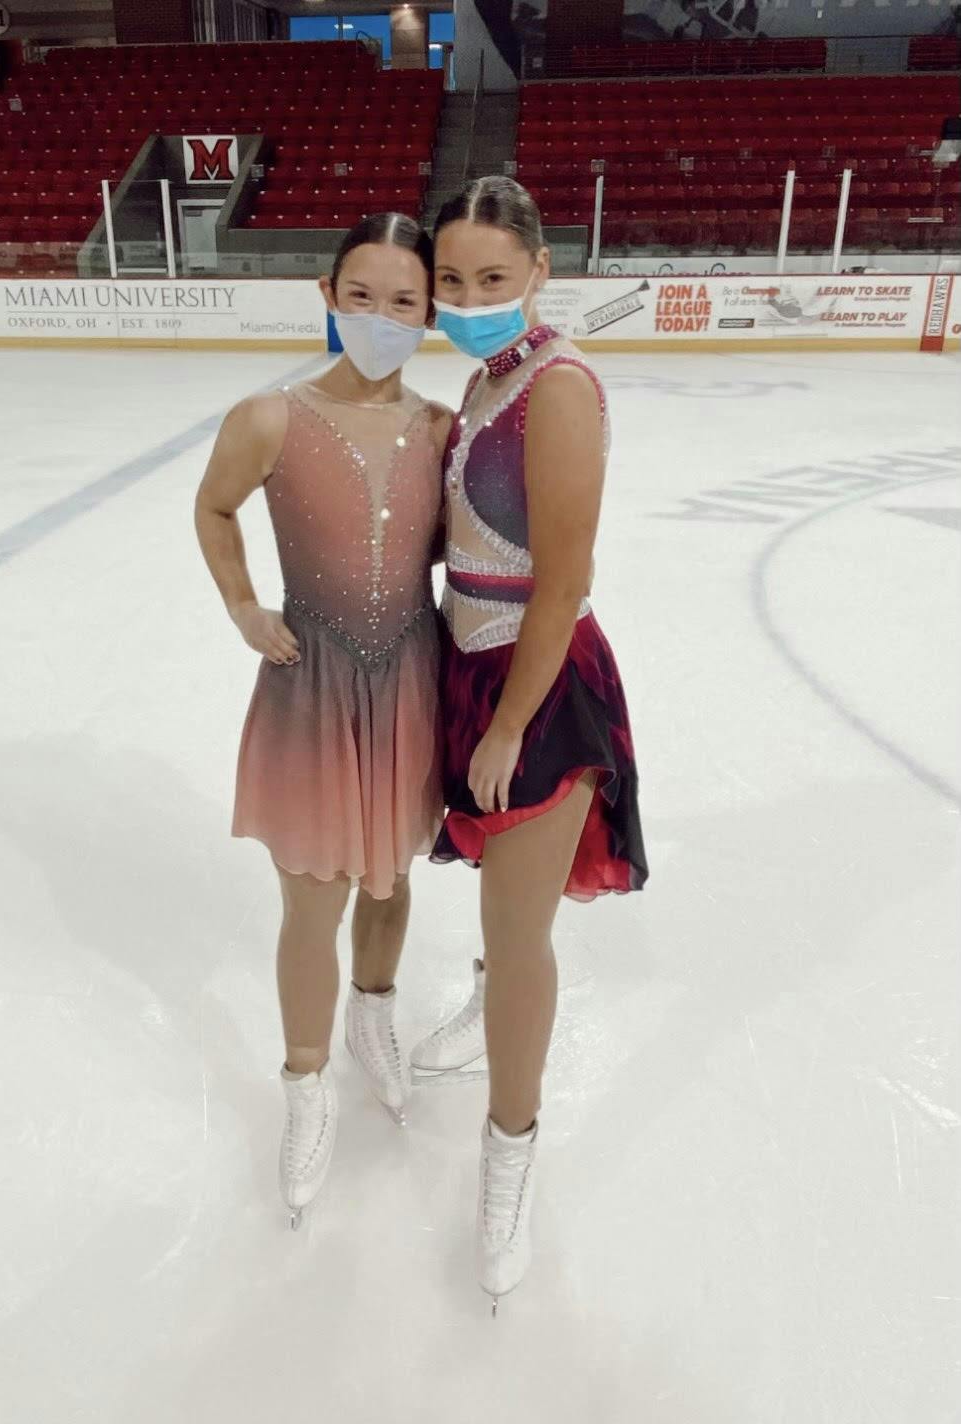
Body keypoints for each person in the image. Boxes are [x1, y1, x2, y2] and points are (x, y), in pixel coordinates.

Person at [193, 212, 453, 1228]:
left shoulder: (440, 427)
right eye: (363, 296)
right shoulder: (268, 418)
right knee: (314, 897)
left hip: (412, 687)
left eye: (404, 301)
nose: (382, 317)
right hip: (311, 686)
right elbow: (214, 508)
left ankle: (373, 1016)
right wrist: (244, 605)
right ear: (328, 296)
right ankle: (305, 1085)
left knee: (390, 873)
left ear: (429, 312)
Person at [423, 176, 648, 1312]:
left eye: (493, 280)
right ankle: (480, 996)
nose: (469, 299)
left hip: (537, 682)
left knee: (522, 932)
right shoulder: (482, 374)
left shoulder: (557, 389)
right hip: (470, 662)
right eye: (452, 281)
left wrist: (511, 719)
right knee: (500, 904)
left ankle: (508, 1155)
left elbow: (566, 579)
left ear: (542, 271)